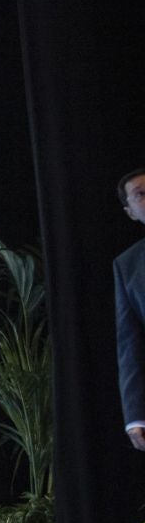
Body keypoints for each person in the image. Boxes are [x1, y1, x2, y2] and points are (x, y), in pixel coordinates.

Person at [116, 166, 145, 452]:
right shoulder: (128, 266)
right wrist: (135, 415)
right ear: (131, 212)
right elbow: (130, 344)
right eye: (140, 195)